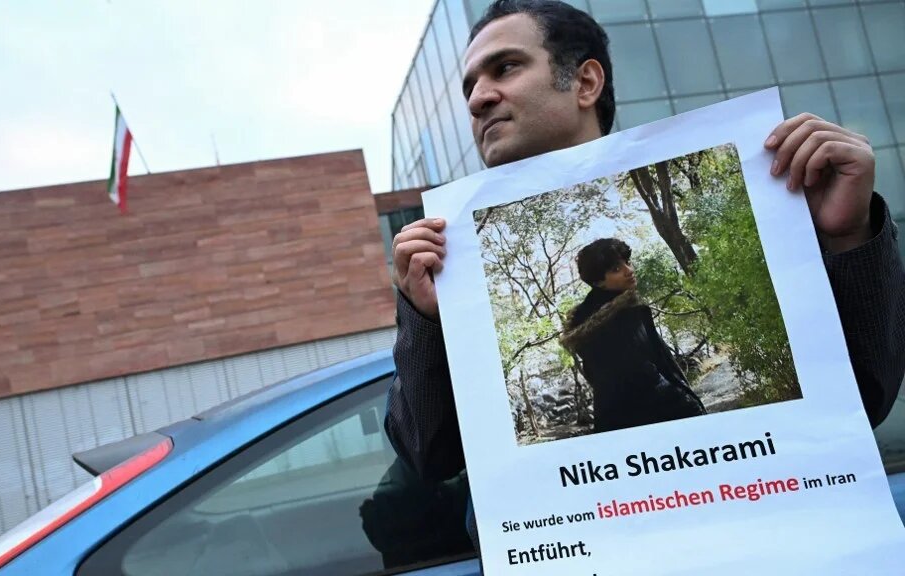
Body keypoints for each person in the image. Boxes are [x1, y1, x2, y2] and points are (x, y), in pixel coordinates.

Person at [385, 0, 905, 550]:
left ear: (585, 82)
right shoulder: (451, 261)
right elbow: (427, 452)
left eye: (505, 67)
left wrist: (848, 237)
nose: (478, 97)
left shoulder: (775, 194)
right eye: (469, 85)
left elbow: (867, 399)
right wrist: (424, 317)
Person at [562, 238, 706, 433]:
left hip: (612, 420)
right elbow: (642, 373)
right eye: (615, 269)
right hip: (657, 415)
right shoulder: (625, 314)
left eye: (627, 263)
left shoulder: (583, 323)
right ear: (598, 281)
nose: (629, 270)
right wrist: (686, 404)